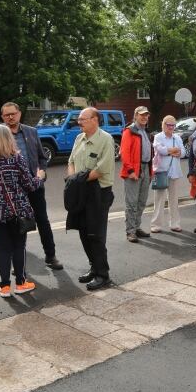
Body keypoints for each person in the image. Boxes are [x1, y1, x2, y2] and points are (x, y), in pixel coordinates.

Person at [0, 125, 42, 297]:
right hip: (16, 209)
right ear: (8, 138)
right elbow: (30, 185)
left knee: (2, 248)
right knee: (19, 246)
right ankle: (20, 283)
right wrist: (40, 177)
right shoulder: (17, 159)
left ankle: (4, 287)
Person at [0, 102, 62, 269]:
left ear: (19, 114)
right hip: (13, 191)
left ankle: (51, 256)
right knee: (17, 225)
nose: (10, 117)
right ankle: (18, 264)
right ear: (2, 117)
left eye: (13, 114)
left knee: (43, 220)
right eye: (7, 115)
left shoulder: (31, 131)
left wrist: (41, 172)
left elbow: (42, 157)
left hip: (35, 186)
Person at [66, 107, 115, 290]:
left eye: (83, 119)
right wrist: (73, 179)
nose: (79, 122)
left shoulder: (106, 140)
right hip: (81, 191)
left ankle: (103, 275)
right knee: (83, 232)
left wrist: (78, 180)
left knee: (96, 234)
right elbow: (71, 162)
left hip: (98, 193)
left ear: (95, 119)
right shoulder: (79, 138)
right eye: (79, 119)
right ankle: (94, 268)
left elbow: (102, 169)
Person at [120, 106, 153, 243]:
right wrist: (131, 171)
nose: (144, 117)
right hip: (134, 170)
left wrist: (151, 172)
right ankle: (130, 231)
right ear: (135, 116)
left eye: (146, 115)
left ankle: (136, 227)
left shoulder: (145, 132)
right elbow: (125, 153)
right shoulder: (129, 131)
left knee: (141, 202)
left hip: (145, 169)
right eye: (141, 115)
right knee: (132, 203)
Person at [150, 115, 186, 233]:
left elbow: (183, 152)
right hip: (161, 171)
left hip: (174, 172)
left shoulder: (178, 138)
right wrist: (173, 150)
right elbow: (160, 150)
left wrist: (170, 151)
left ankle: (175, 224)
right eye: (168, 125)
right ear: (163, 125)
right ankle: (156, 225)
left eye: (173, 125)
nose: (171, 127)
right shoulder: (158, 137)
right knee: (159, 200)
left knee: (174, 200)